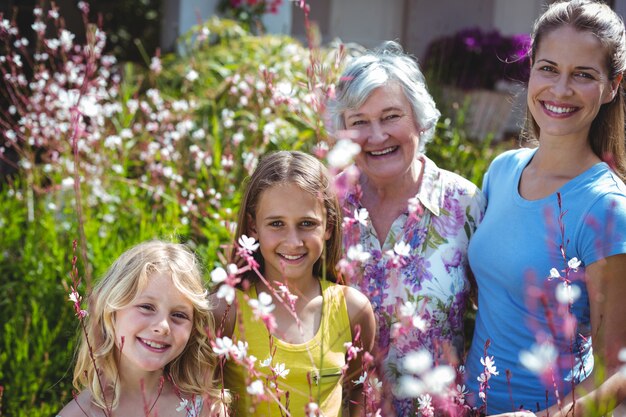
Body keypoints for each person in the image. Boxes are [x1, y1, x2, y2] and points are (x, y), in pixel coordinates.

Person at [465, 1, 626, 416]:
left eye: (584, 75)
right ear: (531, 67)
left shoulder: (606, 208)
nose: (560, 89)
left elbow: (615, 368)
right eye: (549, 68)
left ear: (612, 86)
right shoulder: (503, 170)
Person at [328, 41, 487, 415]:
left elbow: (494, 314)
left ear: (420, 118)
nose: (377, 135)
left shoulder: (464, 203)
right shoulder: (328, 205)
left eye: (390, 116)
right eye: (360, 122)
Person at [213, 151, 376, 416]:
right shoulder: (226, 310)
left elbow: (360, 389)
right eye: (276, 223)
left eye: (307, 224)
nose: (293, 241)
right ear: (253, 227)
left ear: (329, 227)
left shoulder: (352, 309)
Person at [57, 240, 227, 417]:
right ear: (111, 310)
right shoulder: (79, 414)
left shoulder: (206, 409)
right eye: (147, 307)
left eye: (179, 315)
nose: (162, 327)